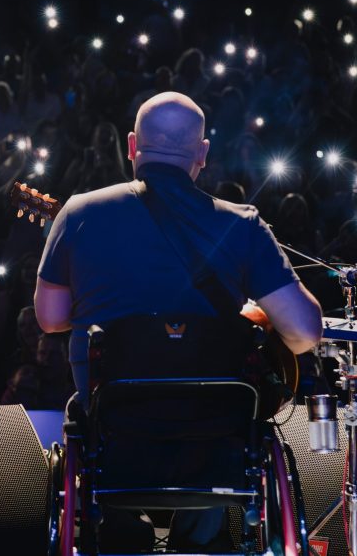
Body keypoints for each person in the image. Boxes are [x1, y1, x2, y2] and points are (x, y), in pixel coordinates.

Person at [35, 92, 322, 551]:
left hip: (116, 423)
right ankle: (203, 541)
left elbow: (50, 320)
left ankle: (116, 537)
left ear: (132, 146)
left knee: (84, 410)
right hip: (216, 431)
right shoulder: (242, 224)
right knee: (222, 412)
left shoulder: (78, 212)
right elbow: (306, 334)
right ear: (202, 153)